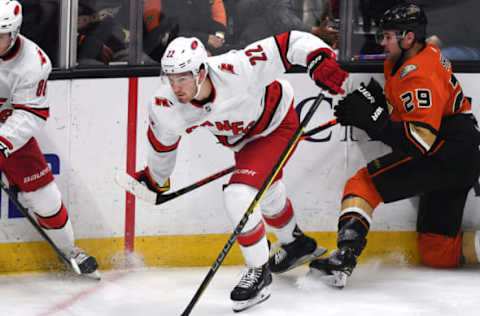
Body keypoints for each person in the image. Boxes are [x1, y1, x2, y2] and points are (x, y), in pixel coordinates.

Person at [132, 31, 348, 311]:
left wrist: (318, 58)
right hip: (244, 142)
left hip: (277, 124)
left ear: (201, 72)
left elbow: (287, 44)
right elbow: (162, 146)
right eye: (170, 78)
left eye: (183, 77)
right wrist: (155, 180)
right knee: (265, 190)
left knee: (239, 194)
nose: (176, 86)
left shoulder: (238, 68)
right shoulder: (166, 106)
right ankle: (297, 244)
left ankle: (259, 273)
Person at [309, 3, 480, 288]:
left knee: (362, 184)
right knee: (438, 251)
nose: (382, 41)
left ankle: (345, 256)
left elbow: (420, 142)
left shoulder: (419, 73)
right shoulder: (412, 58)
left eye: (388, 36)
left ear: (409, 37)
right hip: (459, 152)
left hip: (446, 152)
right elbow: (411, 110)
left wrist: (376, 123)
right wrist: (380, 110)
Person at [0, 1, 99, 277]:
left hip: (10, 132)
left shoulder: (34, 62)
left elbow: (30, 115)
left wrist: (1, 142)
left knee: (46, 199)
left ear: (15, 32)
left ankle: (70, 250)